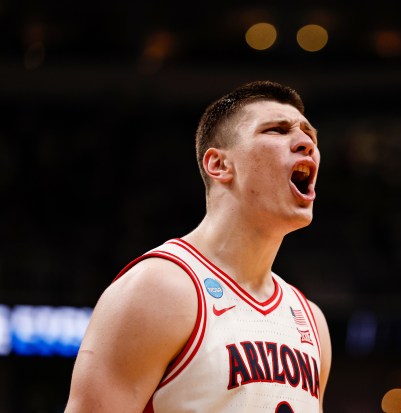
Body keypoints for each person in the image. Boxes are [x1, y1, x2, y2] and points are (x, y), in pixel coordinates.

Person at [65, 80, 331, 413]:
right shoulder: (157, 289)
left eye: (310, 135)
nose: (306, 142)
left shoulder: (311, 321)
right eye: (277, 130)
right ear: (219, 165)